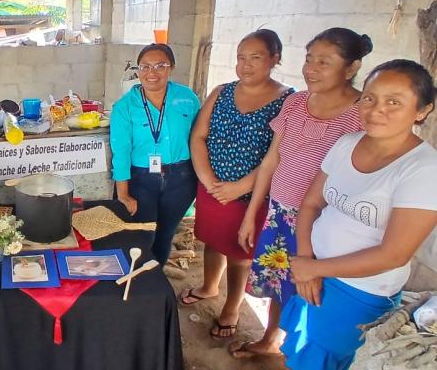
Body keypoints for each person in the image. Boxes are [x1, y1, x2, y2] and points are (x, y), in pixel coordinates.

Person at [282, 59, 437, 369]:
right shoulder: (346, 143)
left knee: (325, 358)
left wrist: (316, 269)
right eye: (369, 97)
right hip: (311, 268)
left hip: (359, 290)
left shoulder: (423, 169)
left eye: (394, 101)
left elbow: (393, 254)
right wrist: (306, 260)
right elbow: (311, 204)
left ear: (422, 110)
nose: (377, 108)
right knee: (302, 345)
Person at [232, 28, 372, 358]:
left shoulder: (362, 116)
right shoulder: (295, 103)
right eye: (309, 59)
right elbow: (271, 161)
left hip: (326, 223)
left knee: (316, 290)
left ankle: (304, 353)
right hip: (280, 213)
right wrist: (252, 215)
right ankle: (270, 340)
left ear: (350, 68)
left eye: (324, 62)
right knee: (281, 283)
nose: (311, 68)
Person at [183, 30, 295, 339]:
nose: (245, 65)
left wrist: (241, 187)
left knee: (239, 253)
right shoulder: (221, 92)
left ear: (275, 59)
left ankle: (232, 307)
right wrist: (208, 180)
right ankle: (208, 286)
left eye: (255, 57)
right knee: (211, 240)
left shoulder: (289, 101)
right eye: (240, 57)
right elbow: (198, 137)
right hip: (212, 187)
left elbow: (281, 154)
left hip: (252, 195)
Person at [110, 43, 200, 265]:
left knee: (165, 233)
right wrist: (123, 194)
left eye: (160, 65)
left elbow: (199, 139)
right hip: (141, 179)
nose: (152, 72)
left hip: (181, 178)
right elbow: (121, 152)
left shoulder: (187, 98)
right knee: (141, 234)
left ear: (171, 68)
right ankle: (139, 282)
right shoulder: (125, 106)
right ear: (138, 70)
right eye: (145, 66)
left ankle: (156, 278)